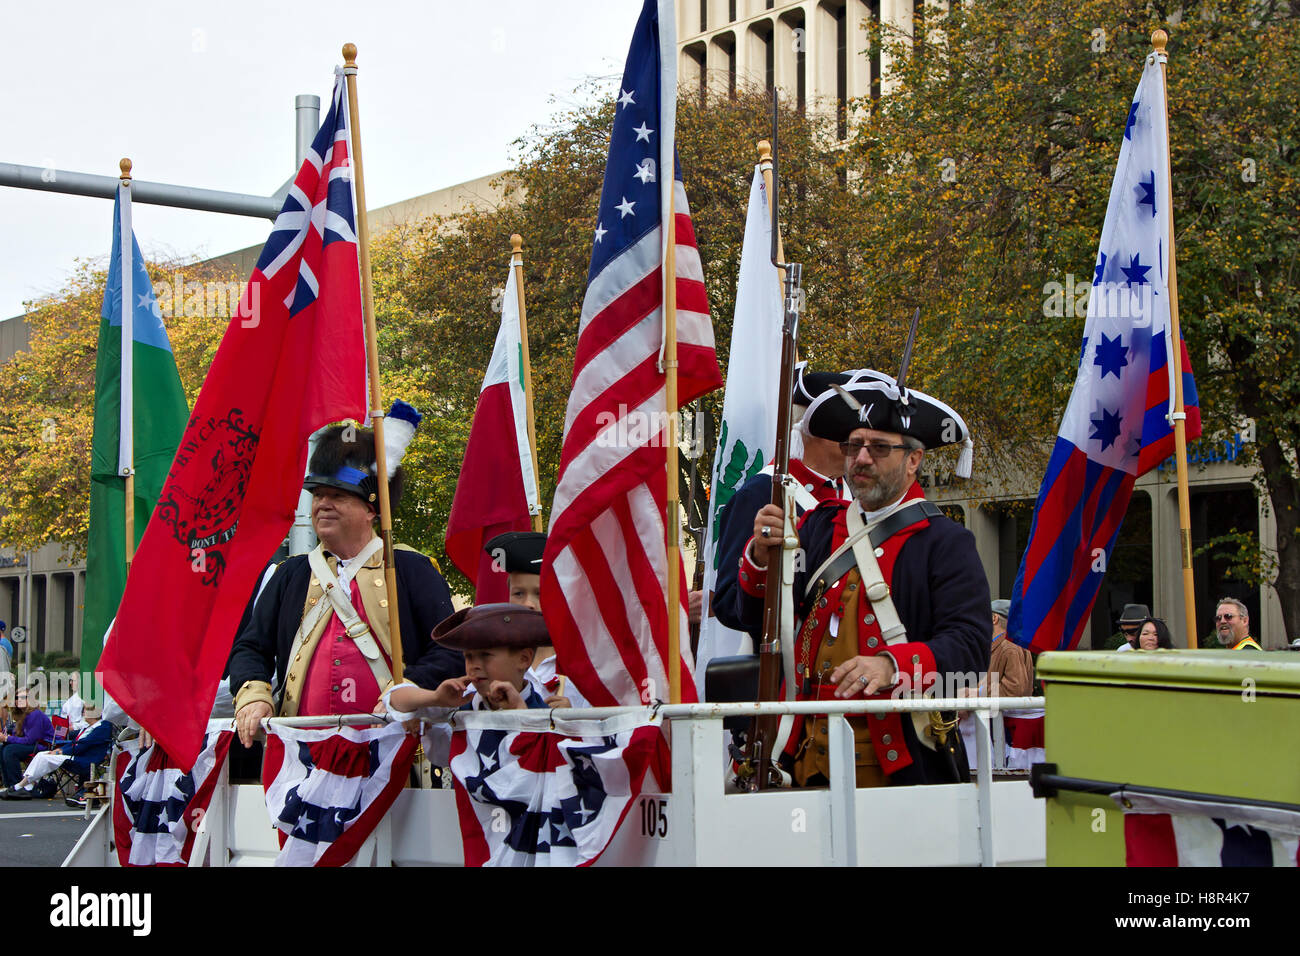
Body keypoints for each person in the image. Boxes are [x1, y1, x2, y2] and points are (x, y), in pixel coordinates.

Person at [735, 373, 988, 788]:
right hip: (799, 757)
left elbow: (970, 648)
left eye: (879, 448)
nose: (862, 458)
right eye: (854, 446)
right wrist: (760, 560)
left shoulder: (945, 542)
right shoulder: (818, 526)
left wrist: (893, 666)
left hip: (895, 766)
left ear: (913, 460)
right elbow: (757, 620)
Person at [228, 416, 461, 749]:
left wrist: (408, 689)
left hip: (390, 749)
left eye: (338, 495)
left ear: (371, 508)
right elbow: (251, 648)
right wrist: (254, 694)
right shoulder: (291, 575)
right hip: (302, 751)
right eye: (318, 494)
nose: (323, 503)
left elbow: (447, 649)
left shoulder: (411, 570)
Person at [711, 364, 861, 642]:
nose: (857, 438)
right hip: (784, 666)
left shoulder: (852, 493)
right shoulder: (761, 492)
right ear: (812, 428)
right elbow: (729, 604)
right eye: (846, 425)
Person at [386, 604, 561, 715]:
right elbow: (395, 699)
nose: (475, 666)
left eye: (485, 655)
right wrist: (436, 698)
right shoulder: (462, 705)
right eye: (468, 657)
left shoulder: (546, 718)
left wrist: (520, 714)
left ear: (523, 659)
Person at [483, 531, 584, 708]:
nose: (528, 603)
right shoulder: (494, 661)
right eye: (518, 593)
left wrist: (573, 718)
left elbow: (606, 726)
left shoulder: (582, 663)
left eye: (540, 594)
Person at [0, 688, 54, 791]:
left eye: (23, 698)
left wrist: (7, 738)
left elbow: (30, 740)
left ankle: (17, 785)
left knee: (10, 750)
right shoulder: (22, 714)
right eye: (17, 698)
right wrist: (7, 735)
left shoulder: (35, 714)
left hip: (43, 746)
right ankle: (8, 785)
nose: (19, 700)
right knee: (3, 748)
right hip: (33, 744)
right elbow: (19, 735)